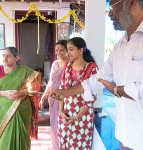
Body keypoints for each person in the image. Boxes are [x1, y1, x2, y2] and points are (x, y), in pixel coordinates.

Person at [50, 0, 143, 150]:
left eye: (112, 6)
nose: (110, 13)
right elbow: (96, 81)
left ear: (131, 2)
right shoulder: (120, 46)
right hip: (124, 135)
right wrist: (63, 93)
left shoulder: (90, 66)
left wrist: (115, 90)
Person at [0, 47, 41, 150]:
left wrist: (21, 92)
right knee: (5, 137)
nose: (5, 59)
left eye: (8, 56)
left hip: (22, 107)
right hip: (2, 110)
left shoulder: (24, 71)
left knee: (22, 136)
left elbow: (34, 88)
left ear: (17, 58)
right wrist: (5, 93)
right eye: (3, 56)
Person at [55, 37, 98, 150]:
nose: (68, 53)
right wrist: (60, 111)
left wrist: (77, 117)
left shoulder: (92, 69)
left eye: (71, 49)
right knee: (64, 145)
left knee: (79, 146)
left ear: (80, 50)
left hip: (82, 117)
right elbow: (62, 88)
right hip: (65, 115)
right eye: (68, 50)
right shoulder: (67, 66)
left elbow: (92, 97)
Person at [39, 40, 69, 150]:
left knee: (63, 124)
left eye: (62, 50)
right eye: (57, 50)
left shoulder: (71, 64)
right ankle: (56, 147)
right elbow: (50, 82)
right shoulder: (55, 64)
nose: (59, 53)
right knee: (54, 125)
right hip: (53, 98)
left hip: (65, 99)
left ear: (67, 50)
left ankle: (64, 147)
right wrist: (43, 96)